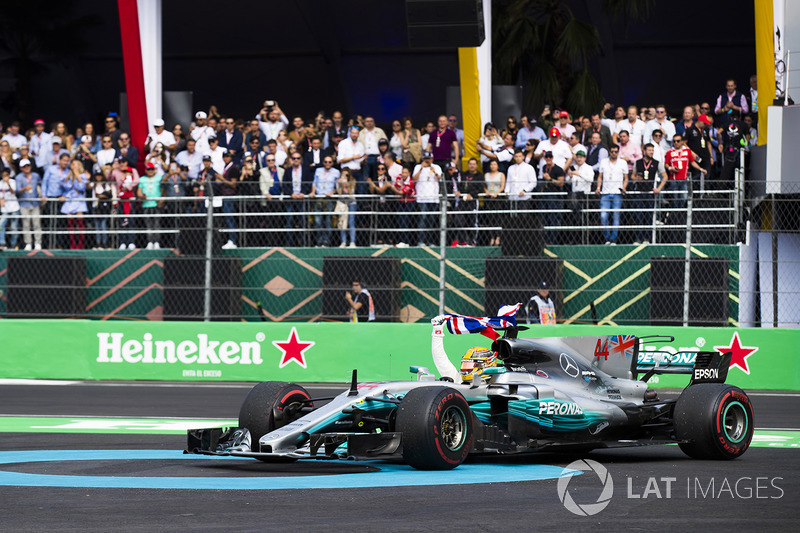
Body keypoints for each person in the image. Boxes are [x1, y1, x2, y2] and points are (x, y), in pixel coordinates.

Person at [631, 143, 668, 244]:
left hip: (650, 192)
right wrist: (636, 179)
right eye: (649, 150)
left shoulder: (657, 163)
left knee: (648, 216)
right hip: (639, 192)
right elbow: (632, 176)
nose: (651, 152)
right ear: (644, 151)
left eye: (653, 150)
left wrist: (659, 188)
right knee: (638, 216)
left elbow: (665, 176)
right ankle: (638, 238)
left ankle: (647, 238)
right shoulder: (638, 163)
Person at [595, 144, 629, 245]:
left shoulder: (623, 162)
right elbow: (600, 177)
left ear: (618, 152)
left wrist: (624, 187)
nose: (614, 153)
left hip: (617, 193)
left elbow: (626, 178)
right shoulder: (604, 162)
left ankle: (613, 239)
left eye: (615, 151)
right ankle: (607, 238)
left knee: (616, 216)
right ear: (609, 152)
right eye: (612, 151)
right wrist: (598, 187)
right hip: (605, 192)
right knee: (603, 216)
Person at [282, 151, 313, 246]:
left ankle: (304, 243)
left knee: (303, 221)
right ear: (291, 160)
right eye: (294, 158)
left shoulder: (306, 170)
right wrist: (290, 193)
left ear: (301, 160)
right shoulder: (287, 170)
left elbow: (309, 183)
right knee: (289, 221)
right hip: (291, 198)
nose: (296, 160)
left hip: (301, 198)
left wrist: (303, 192)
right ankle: (289, 243)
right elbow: (284, 184)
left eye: (298, 158)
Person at [412, 151, 442, 247]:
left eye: (429, 159)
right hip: (422, 198)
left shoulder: (436, 167)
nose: (427, 161)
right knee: (423, 219)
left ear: (432, 159)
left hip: (433, 198)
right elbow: (414, 179)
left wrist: (433, 170)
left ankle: (429, 241)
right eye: (425, 159)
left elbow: (440, 178)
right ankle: (421, 241)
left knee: (431, 220)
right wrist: (421, 168)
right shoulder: (417, 167)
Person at [58, 160, 89, 250]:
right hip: (70, 200)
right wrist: (70, 175)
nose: (73, 166)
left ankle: (80, 244)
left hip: (79, 201)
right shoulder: (68, 175)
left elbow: (82, 187)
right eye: (72, 164)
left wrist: (77, 175)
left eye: (75, 164)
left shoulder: (83, 176)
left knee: (80, 223)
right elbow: (65, 186)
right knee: (70, 223)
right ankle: (72, 244)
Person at [310, 156, 339, 246]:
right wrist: (313, 192)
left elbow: (338, 186)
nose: (327, 164)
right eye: (326, 162)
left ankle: (327, 241)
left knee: (328, 221)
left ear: (332, 163)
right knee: (318, 221)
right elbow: (315, 183)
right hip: (319, 197)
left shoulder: (336, 172)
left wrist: (332, 193)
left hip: (329, 198)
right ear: (323, 162)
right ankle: (319, 241)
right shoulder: (318, 170)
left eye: (329, 162)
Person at [15, 158, 43, 250]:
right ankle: (28, 243)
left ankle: (38, 243)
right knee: (26, 225)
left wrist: (41, 195)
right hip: (24, 203)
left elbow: (40, 185)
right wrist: (24, 189)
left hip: (35, 203)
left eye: (28, 166)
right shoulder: (18, 177)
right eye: (24, 166)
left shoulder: (36, 176)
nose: (27, 168)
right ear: (21, 168)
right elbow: (17, 191)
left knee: (37, 224)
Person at [540, 151, 565, 245]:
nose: (548, 158)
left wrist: (549, 179)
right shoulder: (544, 168)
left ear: (552, 158)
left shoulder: (558, 169)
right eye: (546, 157)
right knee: (544, 218)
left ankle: (553, 240)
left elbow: (561, 183)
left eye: (550, 157)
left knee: (553, 218)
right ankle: (545, 240)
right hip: (545, 195)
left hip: (555, 196)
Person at [218, 150, 240, 249]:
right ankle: (230, 239)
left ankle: (232, 240)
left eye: (228, 156)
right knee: (227, 219)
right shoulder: (226, 167)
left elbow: (233, 184)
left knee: (229, 218)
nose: (226, 158)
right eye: (225, 156)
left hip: (229, 196)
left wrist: (222, 179)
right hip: (225, 195)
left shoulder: (233, 168)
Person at [483, 159, 506, 246]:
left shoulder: (501, 175)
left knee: (498, 218)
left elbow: (502, 186)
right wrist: (486, 192)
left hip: (498, 198)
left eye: (494, 164)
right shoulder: (486, 175)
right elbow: (484, 186)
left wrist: (497, 193)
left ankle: (498, 237)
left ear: (498, 166)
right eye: (491, 164)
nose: (493, 166)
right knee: (490, 218)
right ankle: (492, 237)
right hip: (489, 199)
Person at [0, 168, 20, 250]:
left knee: (14, 227)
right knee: (1, 225)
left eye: (6, 175)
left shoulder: (13, 182)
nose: (4, 177)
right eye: (3, 175)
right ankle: (2, 243)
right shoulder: (0, 183)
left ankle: (13, 244)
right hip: (4, 209)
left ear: (9, 175)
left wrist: (8, 183)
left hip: (14, 207)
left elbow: (13, 192)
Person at [337, 169, 357, 247]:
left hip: (352, 203)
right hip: (342, 203)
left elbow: (350, 192)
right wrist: (341, 184)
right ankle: (343, 242)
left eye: (347, 175)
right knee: (342, 221)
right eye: (343, 175)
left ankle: (352, 241)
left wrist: (346, 184)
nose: (345, 177)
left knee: (351, 222)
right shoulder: (339, 181)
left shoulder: (353, 181)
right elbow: (339, 193)